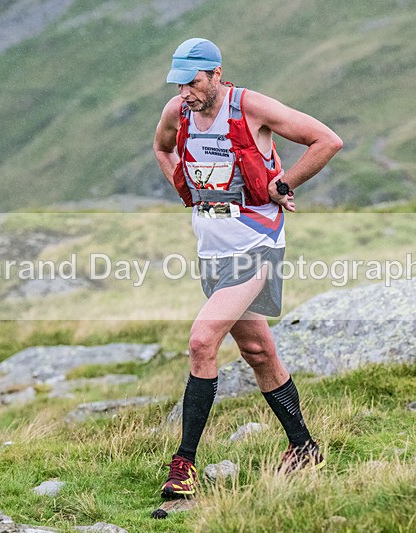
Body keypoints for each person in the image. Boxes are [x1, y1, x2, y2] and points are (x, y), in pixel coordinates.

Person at [152, 38, 343, 499]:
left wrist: (283, 182)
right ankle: (304, 448)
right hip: (212, 250)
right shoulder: (177, 113)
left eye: (193, 83)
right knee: (258, 353)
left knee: (202, 342)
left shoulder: (251, 106)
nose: (185, 93)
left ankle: (184, 467)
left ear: (216, 74)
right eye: (179, 84)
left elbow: (327, 140)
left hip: (256, 247)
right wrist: (189, 191)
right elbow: (163, 150)